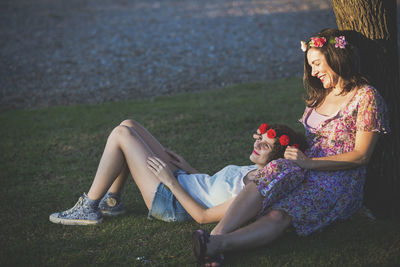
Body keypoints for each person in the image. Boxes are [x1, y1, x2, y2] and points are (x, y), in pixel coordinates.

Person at [191, 28, 390, 266]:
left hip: (337, 181)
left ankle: (216, 245)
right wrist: (273, 137)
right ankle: (214, 238)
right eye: (311, 66)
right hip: (302, 168)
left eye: (317, 63)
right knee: (270, 174)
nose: (314, 72)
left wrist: (309, 163)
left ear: (336, 57)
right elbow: (308, 141)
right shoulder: (321, 95)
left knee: (281, 213)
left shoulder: (365, 97)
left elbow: (361, 155)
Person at [49, 119, 306, 225]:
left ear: (278, 157)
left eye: (266, 145)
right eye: (259, 138)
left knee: (122, 135)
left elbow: (203, 216)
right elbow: (216, 186)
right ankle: (113, 201)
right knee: (128, 124)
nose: (257, 143)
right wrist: (188, 169)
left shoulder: (257, 187)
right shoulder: (254, 169)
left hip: (172, 201)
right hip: (182, 180)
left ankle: (89, 207)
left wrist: (170, 180)